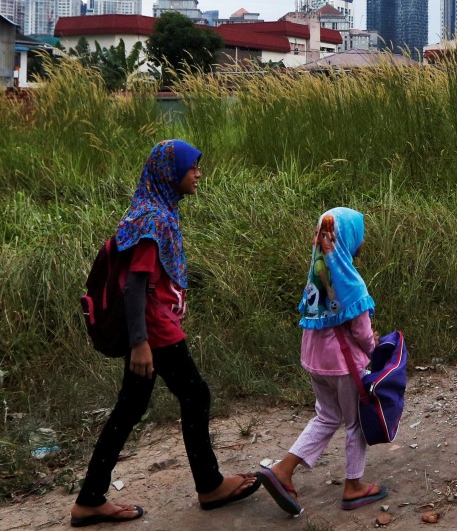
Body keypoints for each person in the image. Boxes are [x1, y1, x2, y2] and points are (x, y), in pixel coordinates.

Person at [71, 140, 258, 528]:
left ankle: (90, 499)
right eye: (192, 167)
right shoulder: (155, 219)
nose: (198, 174)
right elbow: (134, 286)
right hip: (155, 331)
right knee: (195, 394)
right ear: (170, 174)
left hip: (152, 329)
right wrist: (140, 344)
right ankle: (209, 485)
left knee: (131, 407)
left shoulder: (151, 212)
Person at [256, 207, 386, 516]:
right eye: (360, 235)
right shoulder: (352, 282)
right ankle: (353, 486)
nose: (363, 242)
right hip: (344, 365)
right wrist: (375, 348)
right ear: (348, 239)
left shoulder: (316, 275)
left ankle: (283, 470)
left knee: (327, 416)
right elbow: (362, 332)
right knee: (355, 422)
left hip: (314, 359)